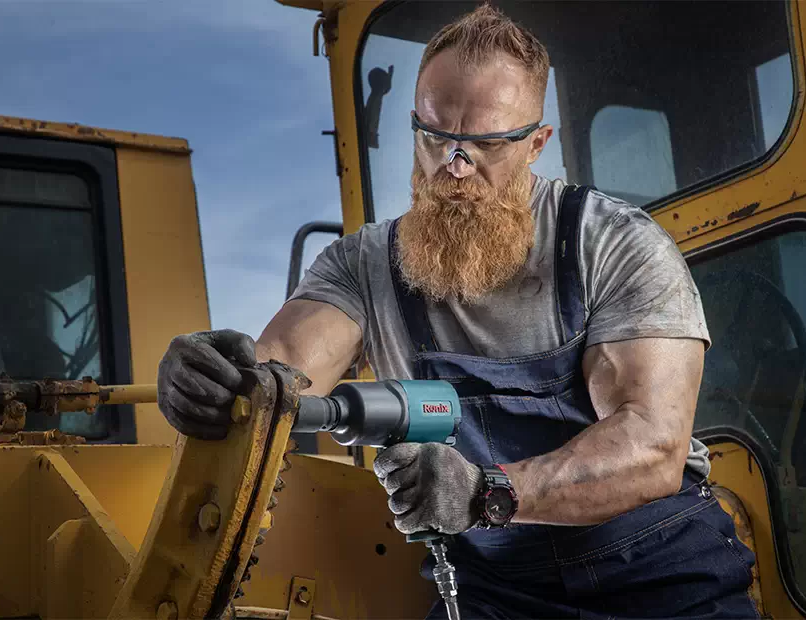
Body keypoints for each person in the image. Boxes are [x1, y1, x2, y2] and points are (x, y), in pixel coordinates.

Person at [157, 5, 758, 618]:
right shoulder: (363, 267)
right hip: (493, 592)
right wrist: (215, 378)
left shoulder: (615, 244)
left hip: (659, 574)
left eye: (484, 143)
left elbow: (652, 446)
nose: (453, 163)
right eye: (434, 135)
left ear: (535, 144)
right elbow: (279, 370)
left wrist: (488, 493)